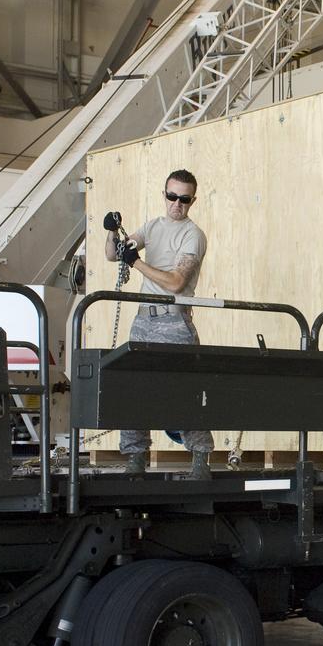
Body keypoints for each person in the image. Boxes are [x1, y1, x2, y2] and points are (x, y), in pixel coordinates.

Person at [104, 169, 214, 480]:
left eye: (184, 199)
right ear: (164, 195)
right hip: (144, 320)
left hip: (175, 321)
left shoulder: (193, 235)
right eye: (172, 196)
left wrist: (136, 262)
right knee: (134, 387)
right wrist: (112, 231)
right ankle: (135, 458)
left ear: (192, 201)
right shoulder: (152, 226)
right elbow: (114, 254)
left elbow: (176, 283)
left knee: (186, 390)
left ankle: (200, 461)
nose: (177, 204)